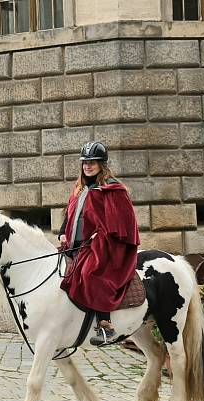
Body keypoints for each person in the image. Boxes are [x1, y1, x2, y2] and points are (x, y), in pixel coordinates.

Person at [59, 141, 140, 346]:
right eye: (85, 162)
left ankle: (106, 326)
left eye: (93, 162)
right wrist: (62, 233)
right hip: (76, 244)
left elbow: (123, 223)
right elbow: (70, 216)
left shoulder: (112, 189)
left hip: (107, 245)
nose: (88, 165)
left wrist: (99, 236)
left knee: (90, 273)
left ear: (101, 164)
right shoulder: (80, 188)